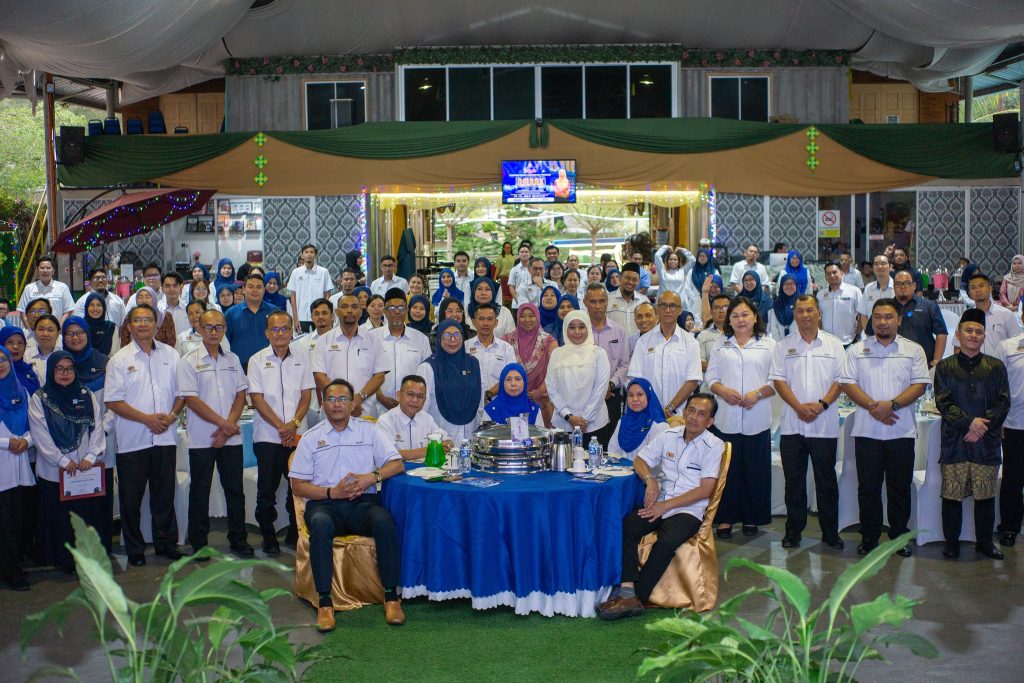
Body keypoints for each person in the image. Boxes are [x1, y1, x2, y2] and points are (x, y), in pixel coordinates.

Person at [289, 378, 405, 632]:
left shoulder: (369, 431)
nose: (337, 404)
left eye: (343, 399)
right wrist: (332, 492)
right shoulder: (310, 438)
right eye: (331, 399)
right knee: (320, 524)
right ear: (323, 404)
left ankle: (391, 597)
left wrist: (370, 478)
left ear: (353, 404)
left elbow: (396, 464)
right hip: (325, 504)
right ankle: (325, 603)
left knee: (384, 521)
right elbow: (298, 486)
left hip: (362, 503)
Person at [597, 393, 723, 621]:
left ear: (710, 421)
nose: (694, 417)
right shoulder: (669, 435)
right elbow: (640, 460)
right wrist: (650, 480)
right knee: (627, 525)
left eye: (701, 414)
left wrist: (665, 506)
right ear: (684, 412)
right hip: (661, 501)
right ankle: (627, 590)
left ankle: (637, 597)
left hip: (689, 509)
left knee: (666, 542)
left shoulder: (714, 445)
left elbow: (705, 490)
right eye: (691, 410)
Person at [840, 298, 930, 557]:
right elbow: (848, 384)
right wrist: (874, 407)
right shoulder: (857, 350)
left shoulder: (913, 350)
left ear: (899, 320)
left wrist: (891, 405)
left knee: (899, 488)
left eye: (889, 317)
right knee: (868, 488)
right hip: (866, 432)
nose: (882, 322)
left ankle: (899, 538)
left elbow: (919, 385)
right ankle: (869, 537)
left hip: (901, 431)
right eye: (878, 317)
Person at [105, 303, 186, 566]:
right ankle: (135, 548)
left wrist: (171, 416)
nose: (143, 324)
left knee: (164, 495)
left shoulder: (171, 355)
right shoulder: (119, 360)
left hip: (165, 437)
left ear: (156, 324)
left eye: (148, 319)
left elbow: (182, 393)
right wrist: (147, 419)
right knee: (131, 499)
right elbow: (113, 401)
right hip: (132, 441)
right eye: (137, 320)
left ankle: (166, 543)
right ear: (129, 326)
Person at [769, 295, 846, 550]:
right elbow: (779, 381)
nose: (804, 315)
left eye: (809, 310)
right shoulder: (783, 346)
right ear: (795, 314)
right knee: (794, 482)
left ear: (818, 313)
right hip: (793, 425)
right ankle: (793, 532)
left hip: (825, 425)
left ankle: (830, 532)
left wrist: (822, 405)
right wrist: (799, 407)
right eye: (800, 311)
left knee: (826, 482)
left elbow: (841, 380)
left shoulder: (834, 345)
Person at [933, 308, 1010, 560]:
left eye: (978, 331)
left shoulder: (996, 367)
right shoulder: (945, 367)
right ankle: (951, 544)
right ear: (958, 334)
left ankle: (985, 543)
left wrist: (981, 426)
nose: (973, 335)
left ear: (984, 336)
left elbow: (1003, 402)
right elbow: (943, 402)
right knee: (951, 496)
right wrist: (969, 423)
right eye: (968, 330)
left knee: (985, 496)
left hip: (986, 443)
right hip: (955, 442)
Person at [178, 308, 253, 558]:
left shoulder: (232, 359)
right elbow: (191, 400)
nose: (213, 332)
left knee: (235, 490)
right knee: (200, 491)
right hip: (202, 438)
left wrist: (228, 426)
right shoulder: (189, 361)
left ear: (224, 330)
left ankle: (239, 540)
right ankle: (199, 544)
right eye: (208, 327)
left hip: (231, 438)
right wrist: (224, 425)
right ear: (200, 329)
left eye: (218, 327)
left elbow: (241, 394)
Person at [706, 296, 777, 538]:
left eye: (745, 314)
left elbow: (776, 380)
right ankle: (725, 519)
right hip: (727, 419)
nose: (740, 320)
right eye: (735, 316)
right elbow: (711, 378)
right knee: (728, 471)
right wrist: (723, 391)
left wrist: (758, 394)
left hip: (757, 417)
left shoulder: (768, 344)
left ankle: (751, 518)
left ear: (755, 317)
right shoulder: (721, 344)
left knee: (755, 471)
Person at [29, 352, 106, 574]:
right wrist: (62, 460)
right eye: (60, 369)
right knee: (60, 520)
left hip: (84, 471)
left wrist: (90, 457)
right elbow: (40, 434)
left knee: (84, 518)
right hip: (55, 472)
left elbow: (97, 427)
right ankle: (64, 561)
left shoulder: (86, 394)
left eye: (69, 368)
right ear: (51, 371)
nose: (65, 373)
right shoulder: (40, 398)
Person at [248, 310, 312, 553]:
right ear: (267, 333)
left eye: (285, 328)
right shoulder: (256, 360)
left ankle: (295, 534)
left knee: (297, 488)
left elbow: (306, 395)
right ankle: (268, 537)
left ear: (292, 331)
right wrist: (281, 426)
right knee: (267, 490)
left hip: (297, 435)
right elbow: (257, 399)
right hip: (267, 436)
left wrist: (293, 424)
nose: (280, 333)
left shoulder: (303, 358)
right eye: (274, 329)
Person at [627, 290, 702, 419]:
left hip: (680, 415)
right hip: (648, 414)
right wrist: (653, 409)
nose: (668, 310)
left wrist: (670, 408)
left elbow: (692, 380)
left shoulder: (691, 342)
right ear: (657, 309)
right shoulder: (643, 341)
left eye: (672, 306)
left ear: (680, 310)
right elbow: (636, 379)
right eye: (663, 305)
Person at [312, 294, 386, 419]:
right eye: (345, 306)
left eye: (354, 306)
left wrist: (359, 398)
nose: (350, 310)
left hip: (365, 411)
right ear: (337, 312)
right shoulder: (324, 340)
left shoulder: (373, 340)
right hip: (333, 410)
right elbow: (319, 376)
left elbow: (379, 376)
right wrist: (341, 401)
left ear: (361, 311)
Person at [545, 311, 611, 442]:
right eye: (572, 327)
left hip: (594, 425)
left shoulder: (598, 354)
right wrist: (568, 416)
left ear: (588, 328)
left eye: (581, 327)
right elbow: (551, 387)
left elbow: (600, 389)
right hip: (563, 424)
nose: (577, 332)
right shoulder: (557, 354)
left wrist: (584, 419)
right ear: (565, 329)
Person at [0, 347, 33, 591]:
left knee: (14, 521)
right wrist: (6, 443)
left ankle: (12, 568)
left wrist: (27, 441)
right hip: (3, 461)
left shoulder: (22, 392)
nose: (0, 364)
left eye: (4, 359)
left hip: (18, 465)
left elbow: (35, 425)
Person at [417, 319, 483, 441]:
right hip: (440, 436)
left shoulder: (473, 363)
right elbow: (422, 409)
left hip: (471, 435)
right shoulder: (428, 367)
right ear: (439, 338)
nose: (453, 339)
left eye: (457, 334)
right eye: (447, 335)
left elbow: (479, 400)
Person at [583, 284, 629, 448]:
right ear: (585, 302)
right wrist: (597, 389)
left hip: (611, 396)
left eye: (601, 301)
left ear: (607, 302)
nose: (597, 306)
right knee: (586, 443)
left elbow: (624, 364)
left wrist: (609, 385)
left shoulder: (619, 331)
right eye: (593, 301)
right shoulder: (579, 331)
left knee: (610, 443)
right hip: (585, 396)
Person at [372, 289, 432, 415]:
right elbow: (365, 373)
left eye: (401, 307)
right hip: (378, 408)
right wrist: (381, 398)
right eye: (392, 307)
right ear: (385, 311)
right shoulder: (372, 338)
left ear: (407, 310)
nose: (397, 311)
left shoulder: (421, 339)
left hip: (412, 408)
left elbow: (427, 376)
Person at [995, 305, 1024, 547]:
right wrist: (999, 420)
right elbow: (997, 387)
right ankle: (1009, 527)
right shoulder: (1008, 347)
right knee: (1013, 477)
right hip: (1015, 423)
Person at [503, 303, 558, 427]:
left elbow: (554, 371)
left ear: (537, 317)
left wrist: (541, 391)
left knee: (541, 435)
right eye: (523, 316)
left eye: (531, 316)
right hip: (513, 398)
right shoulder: (507, 340)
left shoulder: (549, 341)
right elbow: (502, 371)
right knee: (515, 435)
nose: (527, 320)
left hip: (542, 401)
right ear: (517, 318)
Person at [376, 374, 450, 460]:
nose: (415, 400)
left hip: (425, 468)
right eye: (410, 394)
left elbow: (448, 441)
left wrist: (446, 445)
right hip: (398, 468)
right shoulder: (385, 421)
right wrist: (428, 450)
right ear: (398, 395)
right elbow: (388, 454)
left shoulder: (427, 419)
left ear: (425, 400)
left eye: (420, 396)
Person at [467, 302, 515, 419]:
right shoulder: (465, 347)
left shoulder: (506, 348)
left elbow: (510, 378)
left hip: (499, 406)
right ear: (474, 322)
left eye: (489, 319)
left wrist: (489, 394)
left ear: (496, 322)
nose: (485, 323)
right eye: (481, 319)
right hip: (470, 406)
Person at [892, 270, 947, 367]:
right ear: (894, 286)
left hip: (924, 364)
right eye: (898, 284)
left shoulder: (929, 306)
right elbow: (872, 332)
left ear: (914, 285)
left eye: (907, 283)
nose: (902, 286)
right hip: (893, 364)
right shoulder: (887, 307)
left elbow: (941, 333)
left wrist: (936, 360)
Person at [225, 273, 277, 372]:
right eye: (251, 287)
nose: (255, 290)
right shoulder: (231, 314)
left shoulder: (274, 312)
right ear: (244, 289)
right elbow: (224, 343)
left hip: (270, 367)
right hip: (240, 369)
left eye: (259, 287)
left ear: (264, 290)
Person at [608, 378, 670, 461]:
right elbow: (612, 451)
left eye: (639, 394)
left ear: (648, 396)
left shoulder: (659, 425)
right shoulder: (623, 421)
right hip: (618, 467)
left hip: (645, 469)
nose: (635, 399)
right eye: (630, 395)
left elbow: (653, 459)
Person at [965, 272, 1019, 354]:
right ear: (970, 294)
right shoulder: (966, 317)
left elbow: (1017, 344)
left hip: (1000, 362)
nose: (978, 290)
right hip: (973, 362)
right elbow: (958, 346)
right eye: (973, 287)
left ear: (990, 289)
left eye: (981, 286)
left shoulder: (1006, 315)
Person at [17, 255, 75, 326]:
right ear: (38, 270)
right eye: (42, 268)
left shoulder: (62, 287)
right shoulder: (29, 288)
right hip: (34, 330)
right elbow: (22, 313)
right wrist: (30, 329)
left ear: (53, 271)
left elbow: (68, 311)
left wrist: (58, 328)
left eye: (48, 268)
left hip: (56, 330)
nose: (45, 270)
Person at [287, 245, 333, 334]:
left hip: (319, 316)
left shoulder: (323, 272)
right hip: (301, 316)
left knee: (321, 340)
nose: (309, 254)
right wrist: (295, 318)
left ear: (315, 256)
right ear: (302, 255)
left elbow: (327, 295)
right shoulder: (296, 272)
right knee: (302, 341)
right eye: (306, 252)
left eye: (312, 252)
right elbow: (293, 296)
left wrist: (327, 315)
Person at [818, 262, 863, 347]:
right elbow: (818, 316)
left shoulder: (854, 291)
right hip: (827, 343)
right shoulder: (820, 294)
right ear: (825, 277)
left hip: (849, 342)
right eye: (828, 274)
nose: (832, 276)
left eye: (834, 272)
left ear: (842, 273)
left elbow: (862, 313)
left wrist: (858, 330)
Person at [858, 254, 894, 337]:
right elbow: (863, 314)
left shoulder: (896, 287)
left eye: (883, 263)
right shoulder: (868, 288)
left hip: (891, 336)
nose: (880, 266)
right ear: (873, 268)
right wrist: (869, 333)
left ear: (890, 267)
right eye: (876, 264)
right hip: (871, 337)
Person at [0, 327, 40, 394]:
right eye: (10, 342)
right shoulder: (2, 372)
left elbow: (39, 397)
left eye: (20, 343)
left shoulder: (29, 371)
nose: (15, 346)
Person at [608, 263, 643, 338]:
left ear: (638, 282)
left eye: (635, 279)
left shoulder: (643, 301)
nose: (630, 282)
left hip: (638, 344)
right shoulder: (607, 299)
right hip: (613, 344)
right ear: (620, 278)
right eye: (627, 278)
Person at [26, 314, 61, 386]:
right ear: (34, 332)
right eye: (41, 329)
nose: (45, 334)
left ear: (58, 334)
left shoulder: (64, 356)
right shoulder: (25, 357)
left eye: (50, 330)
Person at [697, 294, 729, 371]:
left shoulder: (739, 333)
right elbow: (699, 362)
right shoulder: (703, 336)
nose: (721, 311)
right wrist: (721, 370)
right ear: (711, 312)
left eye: (725, 307)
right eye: (717, 308)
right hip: (710, 377)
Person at [82, 292, 119, 357]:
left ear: (104, 308)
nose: (95, 309)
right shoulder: (80, 326)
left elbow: (115, 355)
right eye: (91, 305)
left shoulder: (111, 328)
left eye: (99, 305)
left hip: (107, 363)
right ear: (86, 307)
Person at [767, 274, 798, 340]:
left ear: (796, 285)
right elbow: (774, 328)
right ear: (781, 286)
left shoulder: (802, 303)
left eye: (791, 283)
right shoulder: (776, 304)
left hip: (799, 342)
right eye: (786, 284)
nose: (789, 286)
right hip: (780, 342)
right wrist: (779, 344)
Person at [507, 243, 533, 310]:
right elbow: (511, 287)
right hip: (517, 304)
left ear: (530, 254)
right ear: (519, 254)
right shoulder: (514, 269)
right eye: (522, 252)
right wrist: (518, 301)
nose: (524, 253)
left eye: (526, 252)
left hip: (533, 303)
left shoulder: (534, 269)